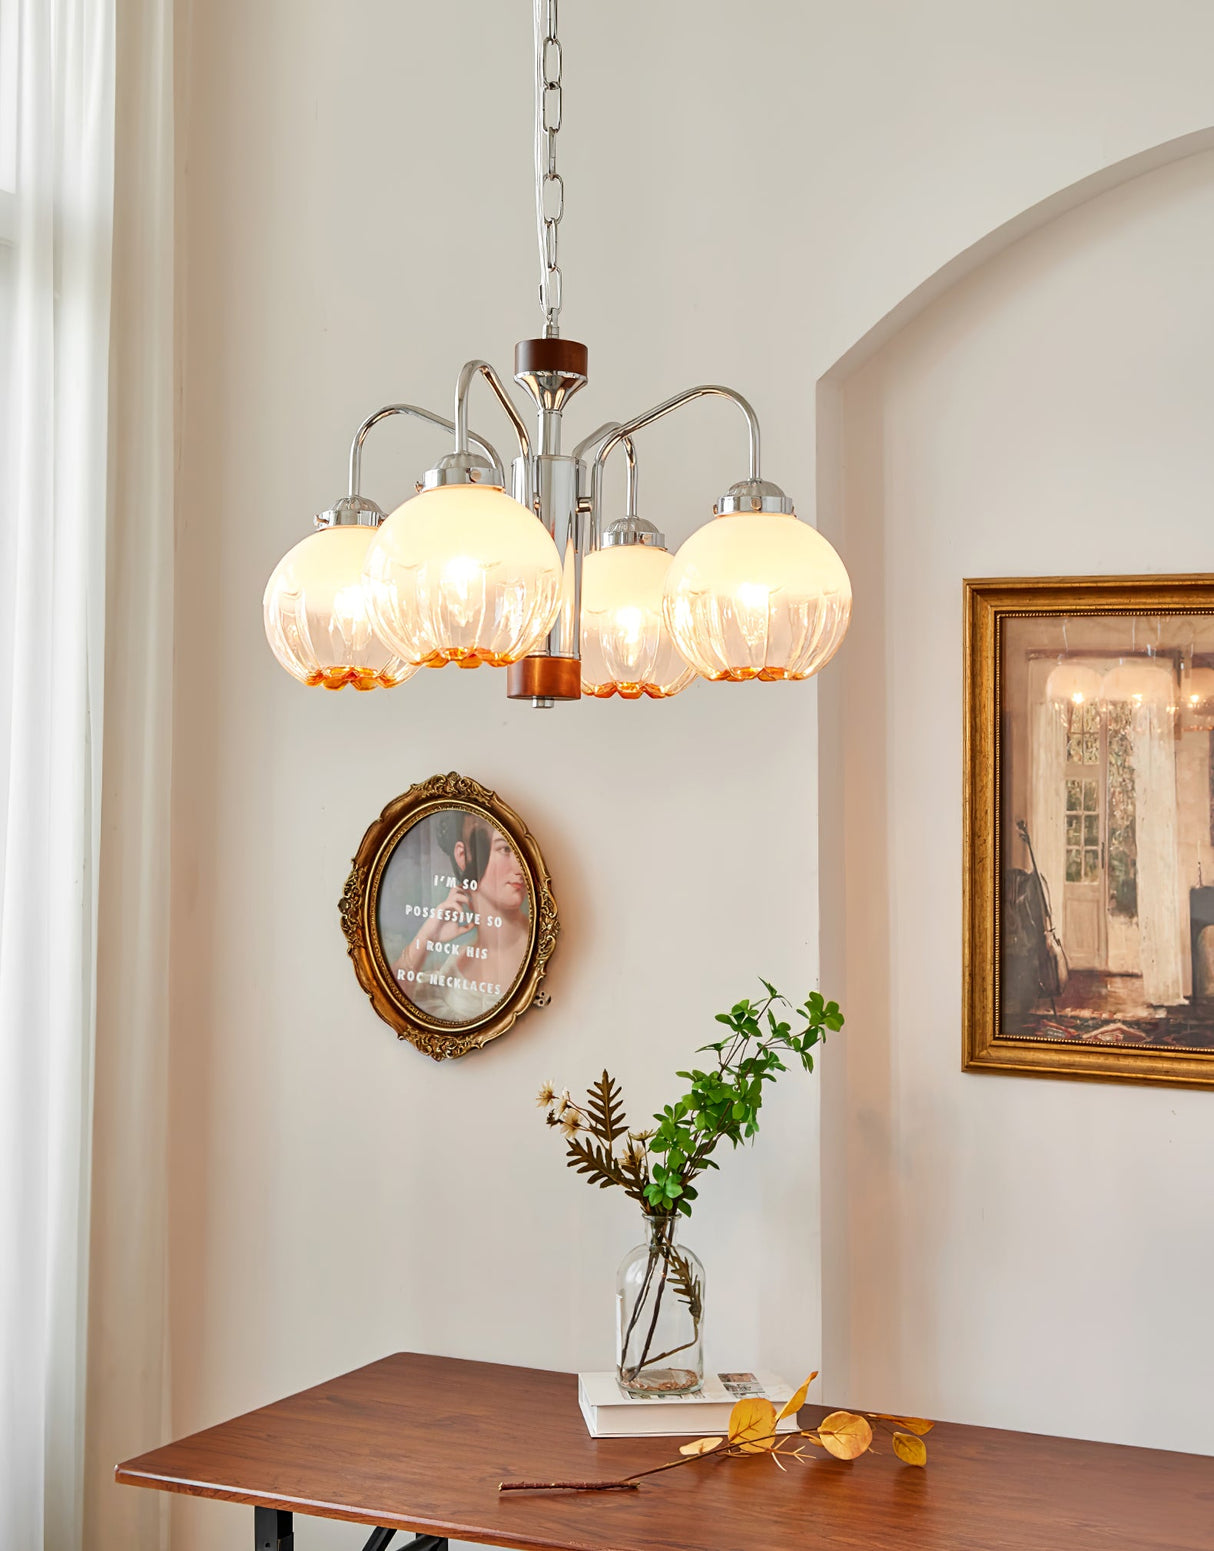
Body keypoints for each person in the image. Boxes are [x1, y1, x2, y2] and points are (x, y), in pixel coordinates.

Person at [393, 811, 531, 1023]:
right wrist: (428, 934)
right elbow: (390, 998)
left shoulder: (535, 945)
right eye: (504, 849)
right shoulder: (456, 962)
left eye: (520, 852)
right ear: (463, 855)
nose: (520, 867)